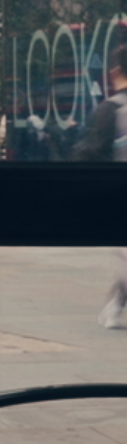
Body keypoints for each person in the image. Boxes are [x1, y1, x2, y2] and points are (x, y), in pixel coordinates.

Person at [78, 58, 127, 326]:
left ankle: (115, 303)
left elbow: (90, 149)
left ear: (115, 72)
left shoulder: (111, 108)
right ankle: (115, 304)